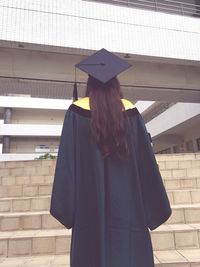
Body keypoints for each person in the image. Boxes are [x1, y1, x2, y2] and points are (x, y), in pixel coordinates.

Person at [50, 48, 172, 267]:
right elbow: (147, 168)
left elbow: (67, 166)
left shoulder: (75, 114)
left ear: (89, 83)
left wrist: (66, 208)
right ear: (116, 83)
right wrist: (153, 208)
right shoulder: (131, 113)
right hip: (129, 212)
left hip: (89, 212)